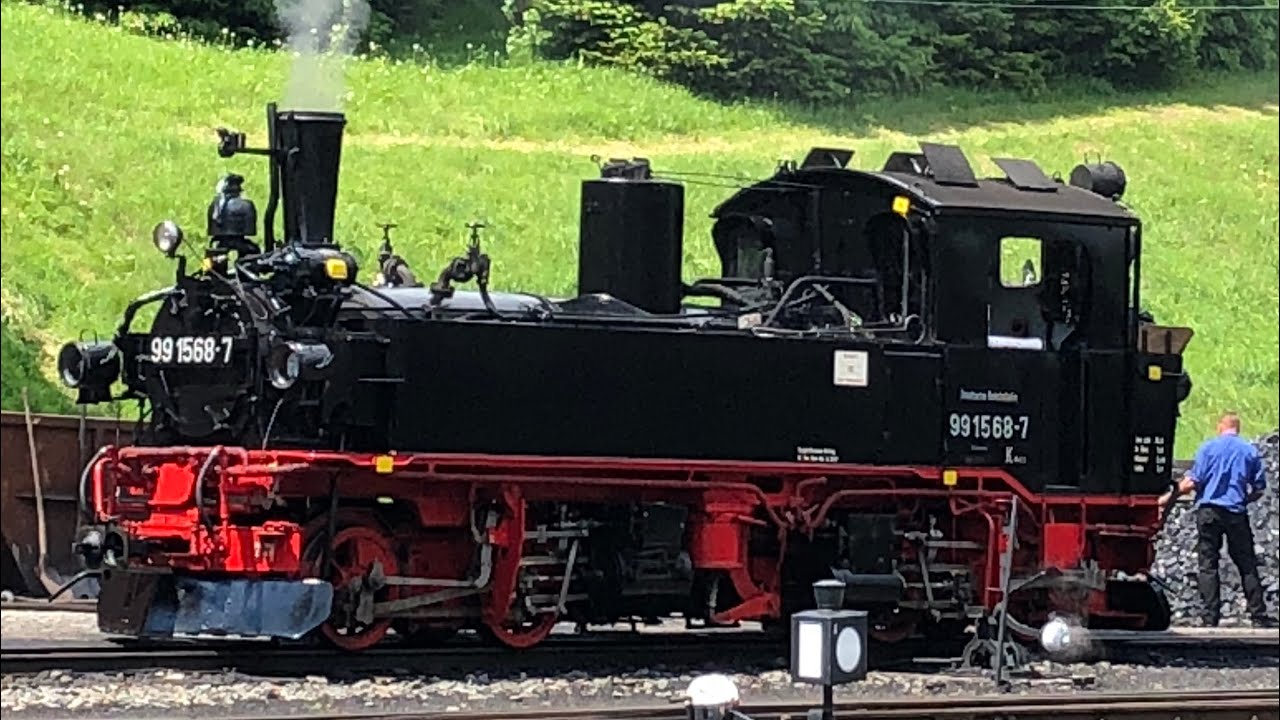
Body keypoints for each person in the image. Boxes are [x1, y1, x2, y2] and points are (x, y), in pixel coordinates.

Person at [1160, 412, 1276, 628]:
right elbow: (1259, 488)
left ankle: (1210, 616)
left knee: (1208, 564)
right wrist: (1244, 498)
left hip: (1209, 511)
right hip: (1235, 512)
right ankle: (1258, 614)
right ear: (1237, 428)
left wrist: (1168, 498)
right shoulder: (1249, 451)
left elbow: (1193, 481)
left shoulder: (1207, 448)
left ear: (1220, 426)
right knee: (1246, 563)